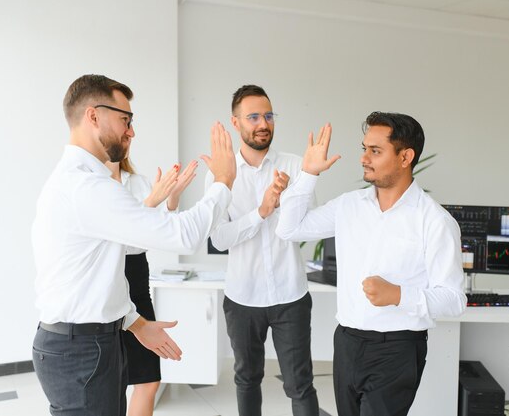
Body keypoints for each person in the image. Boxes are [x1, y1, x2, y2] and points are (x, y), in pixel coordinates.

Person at [31, 74, 235, 416]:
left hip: (86, 344)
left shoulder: (81, 182)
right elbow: (182, 234)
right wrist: (223, 183)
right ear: (94, 116)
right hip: (81, 350)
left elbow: (96, 274)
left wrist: (135, 323)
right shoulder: (86, 187)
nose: (131, 131)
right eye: (125, 119)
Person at [275, 112, 467, 416]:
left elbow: (454, 299)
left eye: (375, 151)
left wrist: (399, 295)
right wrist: (309, 173)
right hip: (348, 341)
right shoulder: (349, 205)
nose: (364, 158)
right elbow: (289, 229)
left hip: (397, 348)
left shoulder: (434, 221)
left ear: (405, 157)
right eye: (364, 149)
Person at [205, 85, 319, 416]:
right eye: (253, 116)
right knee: (246, 380)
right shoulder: (220, 175)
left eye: (268, 115)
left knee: (300, 384)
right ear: (235, 122)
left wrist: (292, 197)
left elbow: (309, 227)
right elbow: (219, 239)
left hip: (290, 295)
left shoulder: (296, 166)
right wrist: (262, 211)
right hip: (243, 298)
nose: (262, 123)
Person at [106, 156, 197, 416]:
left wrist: (172, 199)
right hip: (107, 278)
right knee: (111, 380)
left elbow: (159, 231)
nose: (127, 135)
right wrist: (151, 203)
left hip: (135, 278)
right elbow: (114, 239)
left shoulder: (137, 182)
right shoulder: (94, 184)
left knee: (148, 378)